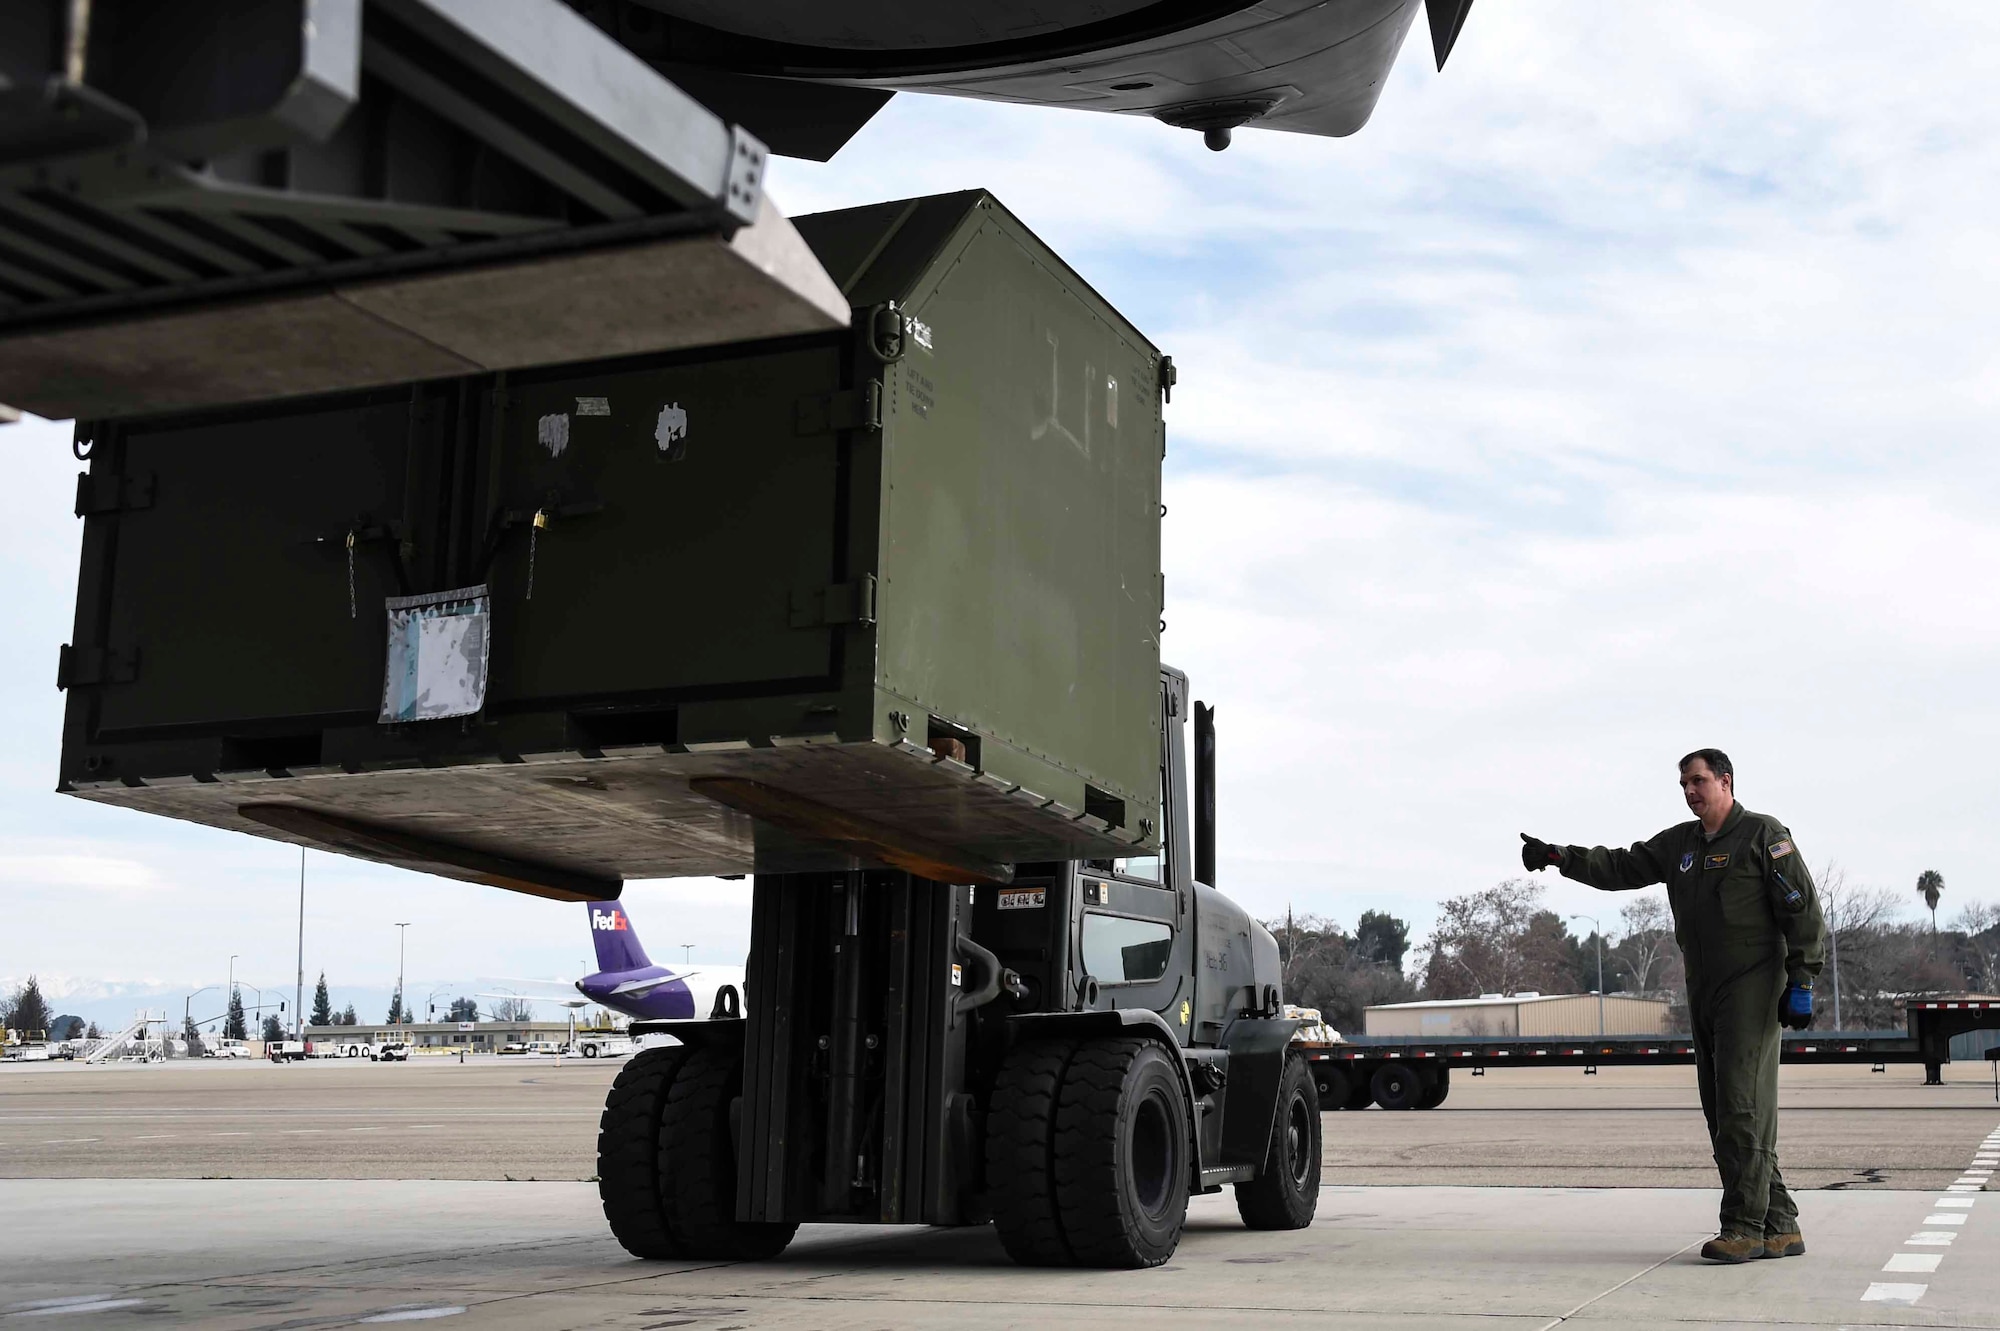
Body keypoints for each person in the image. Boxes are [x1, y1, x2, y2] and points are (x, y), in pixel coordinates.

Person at [1519, 749, 1826, 1264]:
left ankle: (1744, 1227)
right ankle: (1780, 1223)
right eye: (1684, 783)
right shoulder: (1680, 843)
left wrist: (1802, 978)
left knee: (1740, 1104)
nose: (1690, 791)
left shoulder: (1763, 835)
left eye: (1699, 781)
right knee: (1721, 1106)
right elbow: (1619, 865)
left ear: (1726, 781)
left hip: (1753, 983)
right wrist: (1559, 856)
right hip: (1703, 986)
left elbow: (1802, 908)